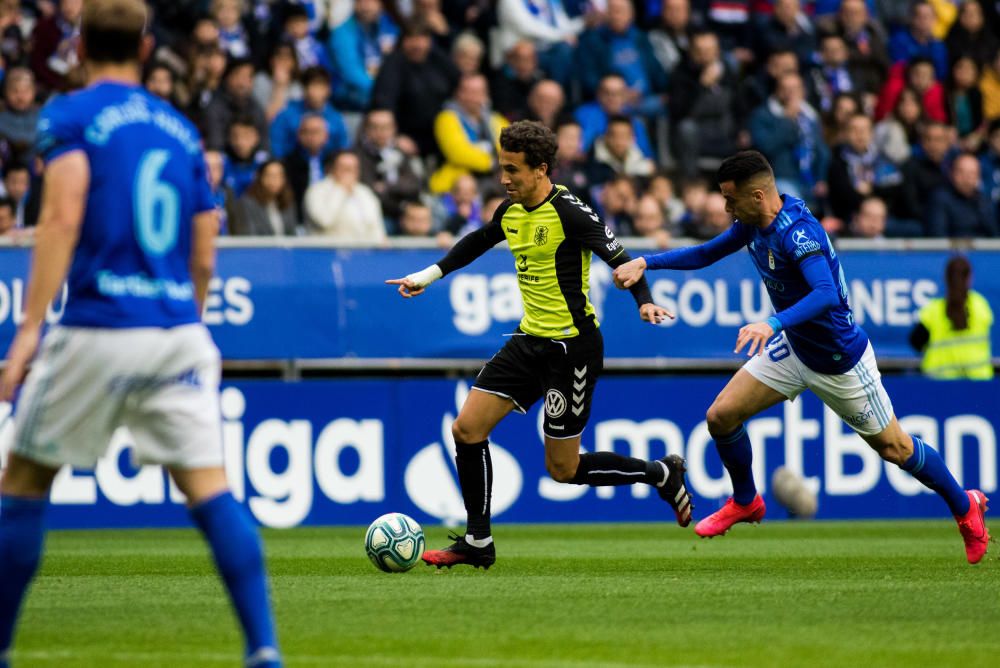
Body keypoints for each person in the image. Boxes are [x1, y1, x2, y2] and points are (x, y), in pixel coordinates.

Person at [0, 2, 282, 667]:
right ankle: (264, 648)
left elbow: (62, 214)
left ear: (78, 43)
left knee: (24, 482)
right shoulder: (181, 130)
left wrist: (30, 326)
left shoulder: (69, 114)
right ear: (148, 45)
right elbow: (206, 247)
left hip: (98, 325)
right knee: (211, 490)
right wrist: (191, 315)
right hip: (176, 329)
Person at [612, 150, 990, 565]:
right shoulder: (754, 223)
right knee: (721, 417)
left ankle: (964, 506)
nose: (725, 207)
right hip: (795, 347)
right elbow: (706, 253)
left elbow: (826, 294)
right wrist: (646, 261)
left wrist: (771, 324)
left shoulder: (798, 234)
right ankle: (746, 501)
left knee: (895, 448)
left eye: (730, 198)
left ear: (757, 196)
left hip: (838, 360)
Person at [386, 121, 692, 569]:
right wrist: (426, 277)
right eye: (500, 167)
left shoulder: (571, 212)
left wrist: (643, 302)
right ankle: (477, 542)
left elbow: (624, 262)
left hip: (572, 350)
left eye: (512, 170)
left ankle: (661, 473)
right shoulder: (510, 211)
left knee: (563, 470)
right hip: (528, 340)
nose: (503, 178)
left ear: (540, 169)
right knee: (466, 430)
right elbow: (477, 242)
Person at [910, 256, 994, 380]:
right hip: (979, 384)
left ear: (946, 279)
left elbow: (915, 342)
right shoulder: (981, 305)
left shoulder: (933, 310)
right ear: (969, 278)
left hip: (940, 385)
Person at [231, 160, 298, 236]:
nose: (275, 180)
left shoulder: (288, 202)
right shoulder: (246, 204)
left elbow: (292, 234)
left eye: (279, 175)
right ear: (260, 177)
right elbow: (248, 236)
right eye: (271, 176)